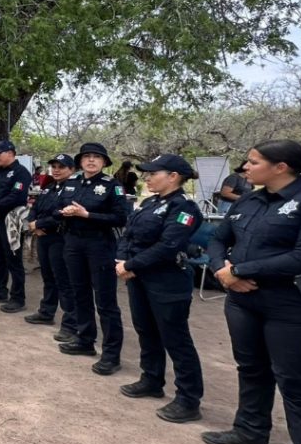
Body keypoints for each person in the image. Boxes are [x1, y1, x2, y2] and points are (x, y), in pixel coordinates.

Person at [201, 140, 301, 444]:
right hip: (245, 301)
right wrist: (222, 271)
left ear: (280, 167)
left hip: (298, 304)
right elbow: (218, 238)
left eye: (253, 162)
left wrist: (238, 269)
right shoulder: (249, 201)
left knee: (297, 382)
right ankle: (250, 432)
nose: (245, 168)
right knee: (252, 368)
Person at [115, 155, 205, 424]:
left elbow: (168, 246)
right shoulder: (150, 203)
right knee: (146, 330)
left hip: (166, 281)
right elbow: (128, 234)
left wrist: (131, 264)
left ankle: (189, 400)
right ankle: (151, 379)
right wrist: (122, 261)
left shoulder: (184, 208)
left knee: (175, 339)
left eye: (153, 173)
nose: (147, 178)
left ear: (173, 176)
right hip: (139, 276)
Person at [57, 142, 130, 376]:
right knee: (80, 293)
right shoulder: (71, 182)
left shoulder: (112, 186)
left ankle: (111, 354)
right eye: (87, 157)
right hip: (73, 242)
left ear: (104, 162)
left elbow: (121, 218)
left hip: (99, 244)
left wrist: (87, 214)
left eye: (96, 157)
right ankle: (85, 339)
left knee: (105, 301)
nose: (91, 161)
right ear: (80, 161)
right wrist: (64, 212)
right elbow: (58, 207)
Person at [24, 154, 79, 341]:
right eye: (54, 166)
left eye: (61, 167)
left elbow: (62, 215)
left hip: (60, 238)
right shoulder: (49, 188)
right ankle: (46, 312)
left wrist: (40, 223)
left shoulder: (73, 189)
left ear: (72, 170)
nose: (56, 170)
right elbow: (35, 207)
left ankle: (71, 324)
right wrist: (33, 223)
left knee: (63, 281)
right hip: (43, 237)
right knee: (48, 277)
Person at [0, 141, 32, 307]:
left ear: (10, 153)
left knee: (13, 260)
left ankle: (17, 298)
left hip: (12, 221)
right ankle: (0, 290)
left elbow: (16, 196)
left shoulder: (21, 172)